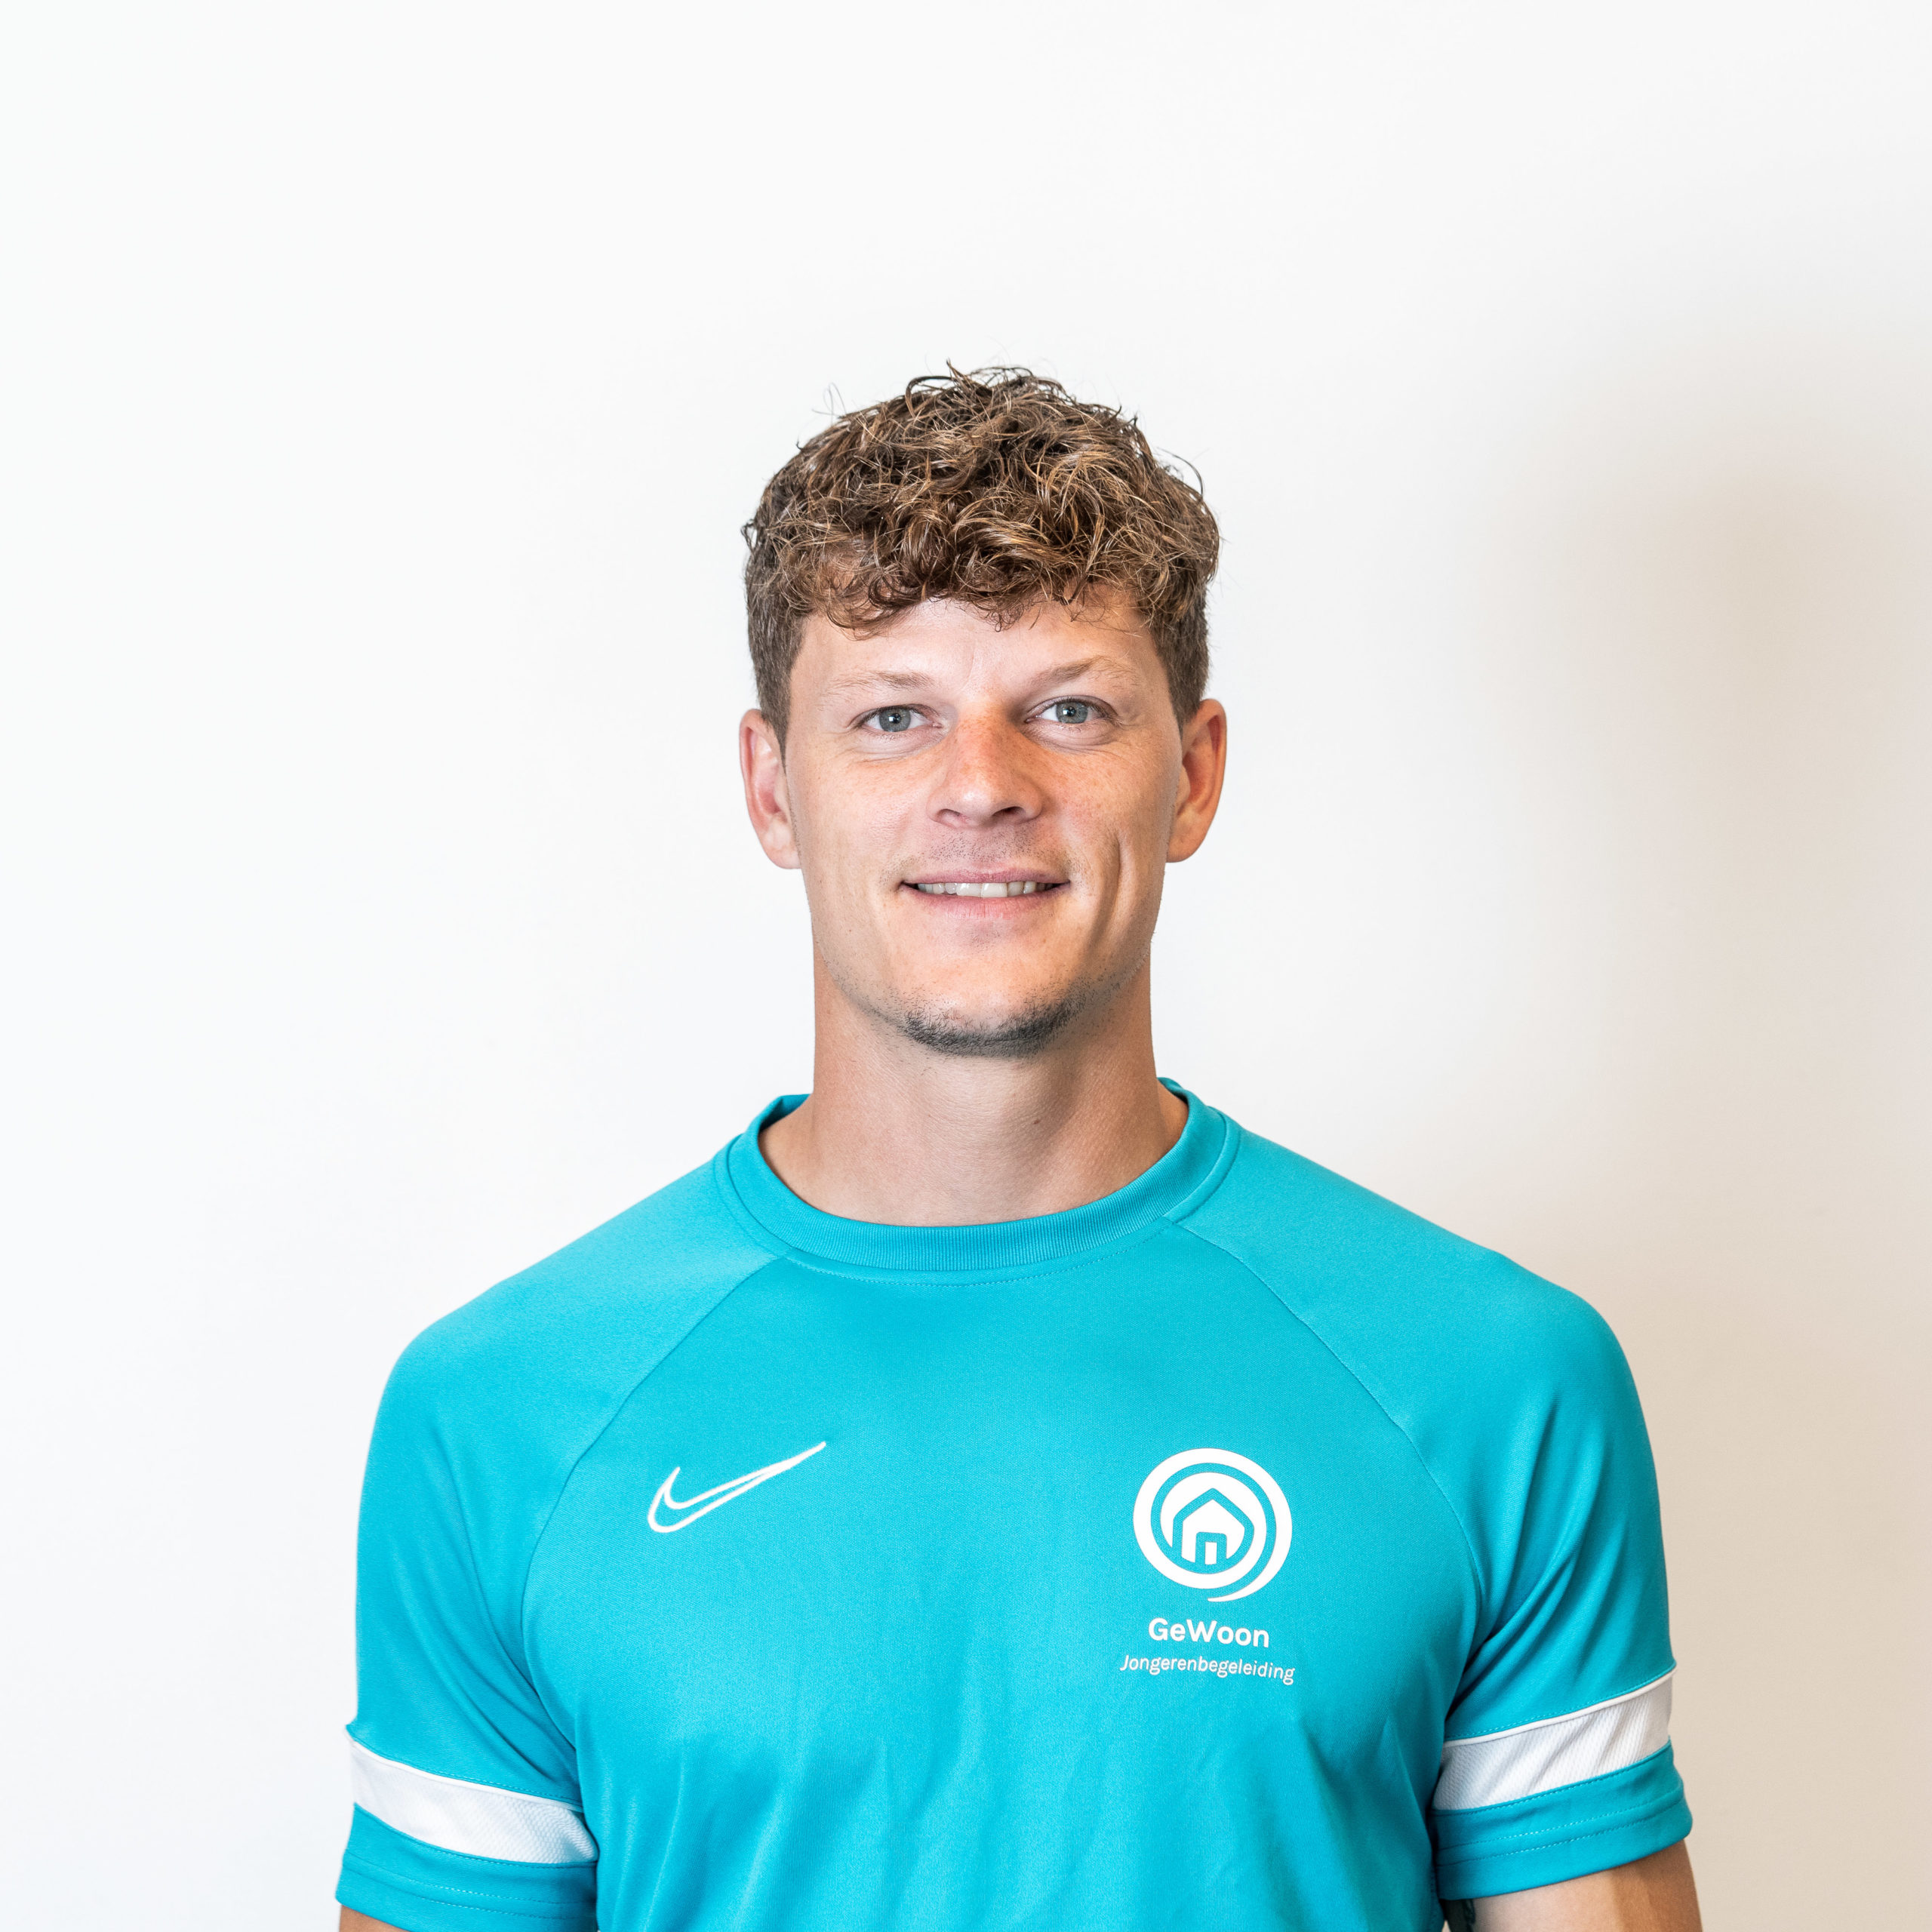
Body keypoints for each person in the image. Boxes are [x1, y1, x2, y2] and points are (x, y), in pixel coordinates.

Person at [337, 369, 1700, 1932]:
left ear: (1191, 774)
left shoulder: (1488, 1380)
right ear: (773, 788)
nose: (982, 785)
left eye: (1068, 709)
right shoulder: (504, 1412)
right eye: (893, 716)